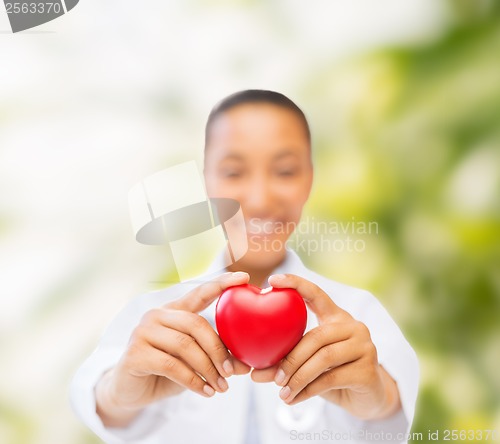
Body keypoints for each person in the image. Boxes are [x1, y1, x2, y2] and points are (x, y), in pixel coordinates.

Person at [70, 90, 419, 443]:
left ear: (309, 179)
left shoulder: (357, 315)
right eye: (234, 172)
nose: (259, 198)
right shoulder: (153, 317)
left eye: (285, 171)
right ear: (206, 182)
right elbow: (94, 395)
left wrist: (380, 397)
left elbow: (401, 410)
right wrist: (118, 393)